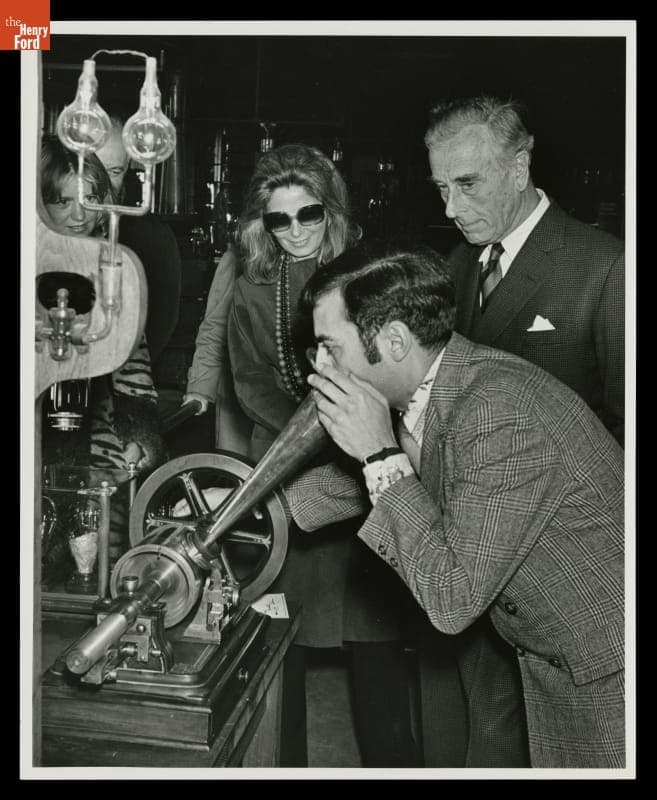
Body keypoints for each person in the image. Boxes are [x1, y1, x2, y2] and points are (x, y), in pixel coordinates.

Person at [283, 242, 625, 769]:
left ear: (394, 341)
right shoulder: (435, 389)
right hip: (560, 660)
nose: (319, 369)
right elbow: (359, 484)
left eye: (330, 347)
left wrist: (378, 453)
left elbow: (451, 599)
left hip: (608, 672)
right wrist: (240, 508)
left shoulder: (496, 411)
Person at [226, 144, 420, 767]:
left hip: (365, 471)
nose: (295, 233)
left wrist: (345, 431)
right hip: (281, 470)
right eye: (278, 221)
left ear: (330, 212)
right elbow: (251, 381)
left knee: (375, 645)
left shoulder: (369, 276)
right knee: (278, 647)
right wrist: (303, 438)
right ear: (263, 224)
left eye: (307, 215)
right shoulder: (253, 289)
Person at [425, 95, 624, 446]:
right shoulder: (456, 263)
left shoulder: (607, 267)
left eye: (467, 184)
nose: (451, 210)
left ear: (519, 169)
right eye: (443, 188)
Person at [39, 135, 166, 566]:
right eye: (61, 200)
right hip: (33, 436)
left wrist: (136, 434)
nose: (78, 215)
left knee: (93, 566)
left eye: (91, 199)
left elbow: (134, 364)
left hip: (98, 444)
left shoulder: (116, 268)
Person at [96, 115, 182, 366]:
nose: (101, 182)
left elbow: (159, 326)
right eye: (94, 165)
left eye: (114, 171)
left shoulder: (151, 237)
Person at [182, 241, 252, 454]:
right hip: (240, 393)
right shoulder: (239, 257)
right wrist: (200, 387)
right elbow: (216, 327)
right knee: (242, 476)